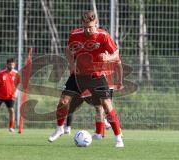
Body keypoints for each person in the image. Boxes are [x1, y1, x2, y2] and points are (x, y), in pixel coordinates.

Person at [48, 10, 124, 147]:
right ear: (82, 25)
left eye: (91, 27)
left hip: (97, 76)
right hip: (78, 76)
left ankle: (118, 138)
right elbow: (68, 50)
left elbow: (116, 55)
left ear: (96, 24)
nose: (88, 30)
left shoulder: (103, 36)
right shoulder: (75, 35)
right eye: (85, 27)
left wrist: (108, 57)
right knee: (63, 101)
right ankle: (59, 128)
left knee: (106, 105)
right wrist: (71, 65)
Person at [0, 58, 21, 132]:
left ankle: (11, 127)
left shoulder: (16, 73)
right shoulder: (1, 73)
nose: (12, 66)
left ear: (15, 65)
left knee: (11, 110)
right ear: (7, 64)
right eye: (10, 64)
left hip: (10, 96)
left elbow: (19, 85)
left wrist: (16, 93)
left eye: (13, 64)